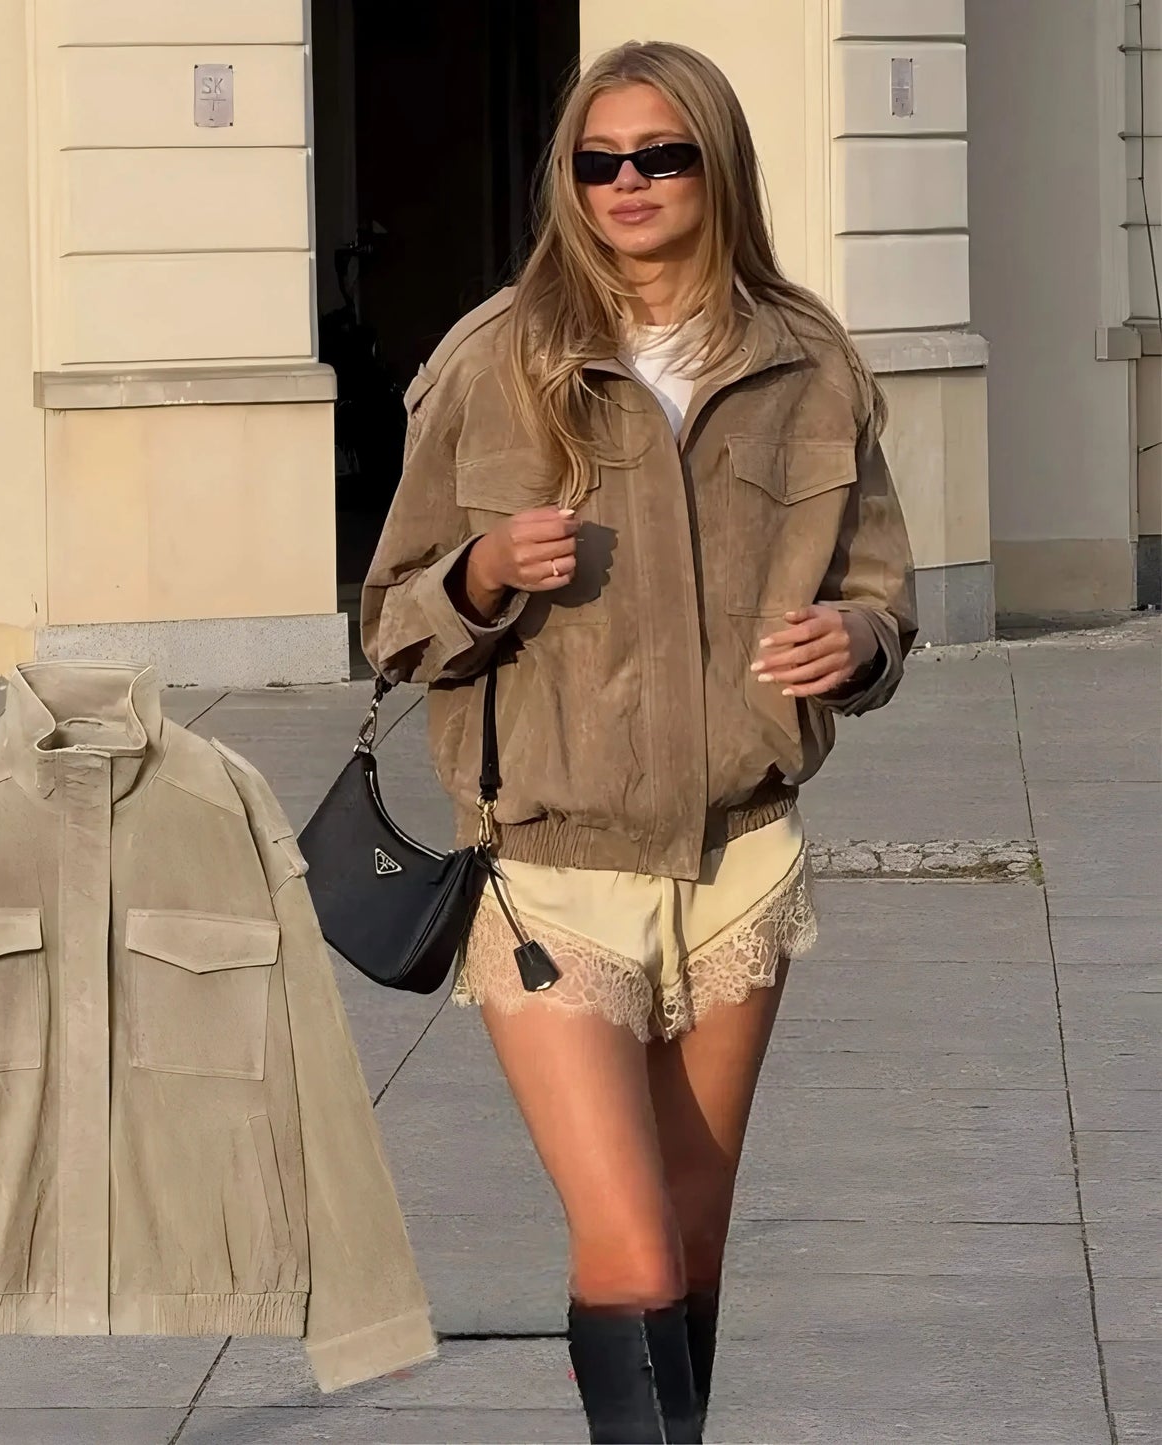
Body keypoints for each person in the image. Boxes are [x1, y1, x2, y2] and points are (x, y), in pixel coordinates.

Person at [361, 39, 916, 1445]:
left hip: (739, 854)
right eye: (596, 159)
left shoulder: (807, 361)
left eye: (657, 155)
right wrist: (483, 569)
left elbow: (879, 592)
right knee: (635, 1252)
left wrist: (855, 644)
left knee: (695, 1246)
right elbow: (390, 621)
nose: (624, 183)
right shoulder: (493, 361)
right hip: (549, 871)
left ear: (711, 165)